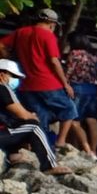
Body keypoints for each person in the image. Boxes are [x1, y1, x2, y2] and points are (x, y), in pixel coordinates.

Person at [0, 8, 77, 149]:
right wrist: (65, 84)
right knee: (69, 109)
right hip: (48, 83)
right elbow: (54, 61)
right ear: (52, 24)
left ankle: (40, 146)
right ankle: (60, 141)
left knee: (40, 116)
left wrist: (8, 58)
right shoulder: (48, 36)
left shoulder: (20, 32)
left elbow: (1, 44)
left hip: (27, 85)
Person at [0, 59, 69, 174]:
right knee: (33, 127)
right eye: (13, 76)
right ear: (2, 75)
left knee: (20, 125)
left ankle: (13, 155)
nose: (15, 80)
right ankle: (49, 166)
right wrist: (32, 117)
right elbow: (22, 114)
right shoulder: (2, 88)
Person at [64, 33, 97, 158]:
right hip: (93, 89)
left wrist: (64, 84)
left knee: (74, 121)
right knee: (92, 120)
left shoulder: (74, 54)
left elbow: (68, 72)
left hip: (77, 87)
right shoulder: (93, 56)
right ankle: (95, 150)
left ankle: (87, 149)